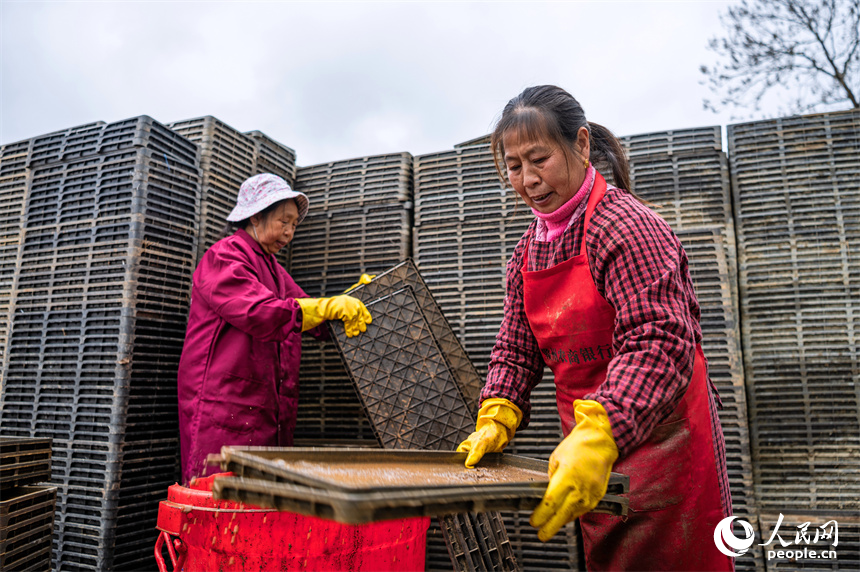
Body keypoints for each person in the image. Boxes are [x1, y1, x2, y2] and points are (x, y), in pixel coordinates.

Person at [456, 86, 733, 571]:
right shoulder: (527, 252)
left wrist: (601, 431)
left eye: (539, 159)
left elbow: (660, 340)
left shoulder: (625, 226)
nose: (528, 179)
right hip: (588, 448)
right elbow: (515, 349)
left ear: (581, 145)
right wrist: (495, 414)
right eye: (514, 167)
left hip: (663, 445)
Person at [177, 173, 373, 484]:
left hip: (263, 407)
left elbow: (311, 315)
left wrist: (356, 301)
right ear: (255, 215)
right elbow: (261, 313)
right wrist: (326, 307)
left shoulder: (275, 270)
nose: (289, 232)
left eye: (294, 225)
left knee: (258, 502)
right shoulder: (224, 257)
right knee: (219, 498)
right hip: (225, 405)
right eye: (284, 221)